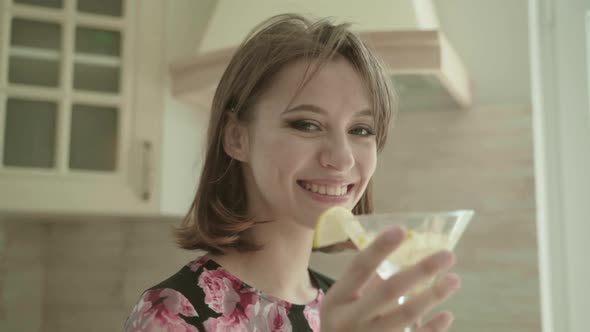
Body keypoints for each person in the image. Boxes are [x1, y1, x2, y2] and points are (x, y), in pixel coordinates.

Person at [124, 13, 461, 332]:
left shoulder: (350, 312)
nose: (342, 159)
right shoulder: (173, 312)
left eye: (361, 130)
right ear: (236, 137)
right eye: (307, 124)